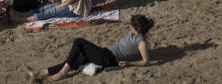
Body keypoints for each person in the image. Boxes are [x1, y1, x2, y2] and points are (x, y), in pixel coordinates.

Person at [23, 14, 153, 82]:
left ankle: (63, 74)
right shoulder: (133, 33)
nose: (130, 27)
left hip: (110, 58)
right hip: (106, 53)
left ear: (139, 28)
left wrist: (129, 63)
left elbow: (145, 61)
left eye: (132, 26)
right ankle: (39, 73)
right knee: (72, 60)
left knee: (79, 42)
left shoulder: (141, 42)